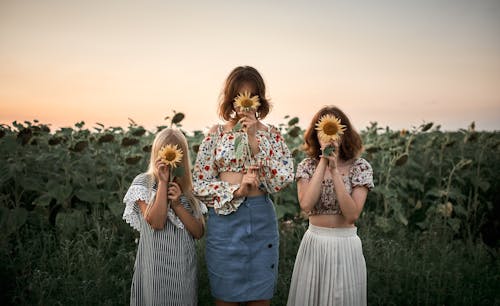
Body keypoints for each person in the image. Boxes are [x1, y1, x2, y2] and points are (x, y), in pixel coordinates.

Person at [193, 66, 294, 306]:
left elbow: (283, 179)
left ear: (259, 100)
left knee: (259, 298)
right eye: (240, 96)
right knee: (225, 298)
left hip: (261, 220)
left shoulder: (272, 135)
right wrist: (235, 192)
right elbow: (199, 182)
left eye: (251, 96)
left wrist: (253, 142)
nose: (245, 104)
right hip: (226, 221)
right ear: (231, 99)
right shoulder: (217, 134)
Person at [287, 106, 374, 306]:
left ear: (344, 134)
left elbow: (352, 215)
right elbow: (307, 205)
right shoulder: (307, 167)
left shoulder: (360, 167)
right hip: (314, 243)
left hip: (345, 245)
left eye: (334, 130)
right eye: (324, 131)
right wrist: (323, 163)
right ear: (315, 136)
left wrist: (335, 171)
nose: (329, 137)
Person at [122, 128, 206, 306]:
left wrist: (177, 204)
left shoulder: (189, 190)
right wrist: (162, 183)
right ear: (156, 155)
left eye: (174, 155)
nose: (169, 162)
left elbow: (198, 232)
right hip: (154, 267)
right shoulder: (143, 183)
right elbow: (156, 222)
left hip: (181, 270)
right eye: (166, 154)